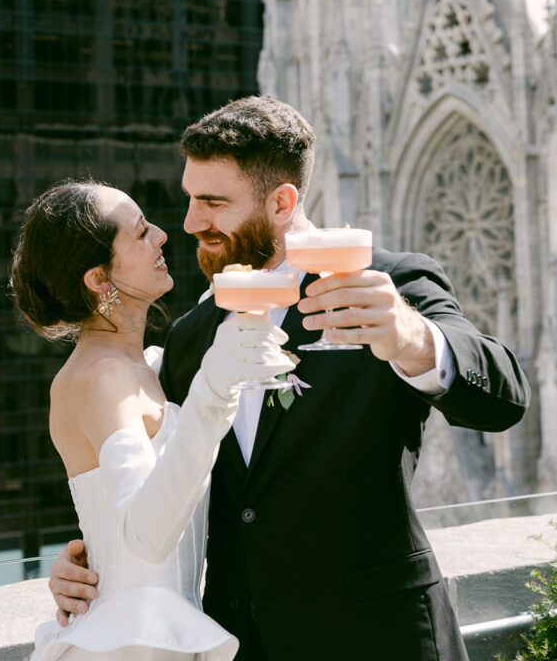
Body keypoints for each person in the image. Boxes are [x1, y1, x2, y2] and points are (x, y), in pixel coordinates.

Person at [48, 97, 531, 661]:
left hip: (381, 638)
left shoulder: (385, 284)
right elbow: (162, 483)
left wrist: (410, 336)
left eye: (213, 202)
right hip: (242, 645)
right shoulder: (189, 337)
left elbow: (505, 398)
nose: (190, 223)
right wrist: (90, 560)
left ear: (282, 202)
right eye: (189, 199)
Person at [10, 177, 295, 660]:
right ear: (99, 280)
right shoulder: (102, 376)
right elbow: (146, 536)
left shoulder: (148, 365)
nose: (162, 234)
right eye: (141, 233)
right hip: (133, 644)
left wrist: (85, 556)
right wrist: (214, 389)